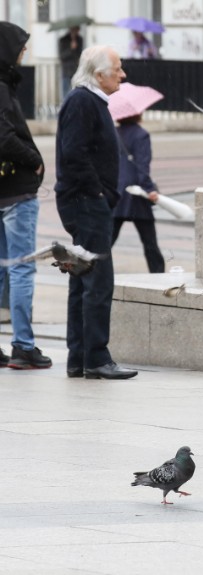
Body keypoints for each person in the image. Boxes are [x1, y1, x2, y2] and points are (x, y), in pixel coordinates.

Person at [55, 45, 138, 380]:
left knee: (82, 279)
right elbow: (73, 153)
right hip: (86, 203)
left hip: (86, 200)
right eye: (117, 69)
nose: (122, 74)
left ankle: (79, 359)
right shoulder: (82, 101)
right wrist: (100, 192)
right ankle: (97, 358)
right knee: (99, 280)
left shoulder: (89, 101)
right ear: (99, 73)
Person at [0, 22, 51, 370]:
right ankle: (24, 345)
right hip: (16, 191)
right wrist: (34, 161)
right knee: (20, 269)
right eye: (20, 46)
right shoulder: (2, 88)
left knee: (2, 271)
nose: (24, 53)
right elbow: (4, 138)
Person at [112, 114, 165, 273]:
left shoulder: (113, 132)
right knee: (150, 243)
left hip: (117, 191)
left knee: (106, 243)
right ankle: (159, 277)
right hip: (137, 193)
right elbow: (142, 167)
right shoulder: (141, 135)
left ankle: (92, 275)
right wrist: (150, 189)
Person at [58, 26, 82, 100]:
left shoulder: (79, 39)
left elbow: (79, 53)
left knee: (76, 90)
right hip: (66, 69)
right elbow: (62, 56)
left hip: (76, 69)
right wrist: (71, 49)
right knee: (65, 92)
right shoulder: (63, 40)